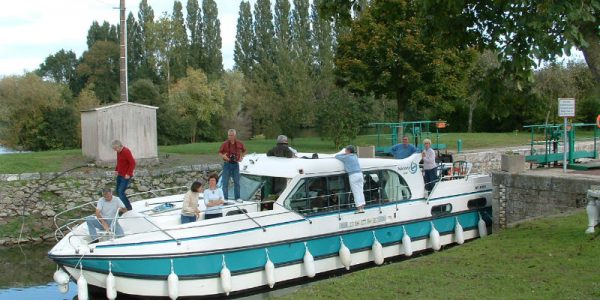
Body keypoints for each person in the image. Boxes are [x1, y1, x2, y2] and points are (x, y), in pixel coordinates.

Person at [335, 145, 365, 213]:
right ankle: (362, 207)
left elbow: (336, 156)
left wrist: (343, 153)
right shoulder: (355, 156)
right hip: (360, 174)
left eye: (346, 150)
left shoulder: (346, 157)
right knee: (360, 191)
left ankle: (359, 209)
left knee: (356, 192)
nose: (345, 151)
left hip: (353, 175)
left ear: (348, 151)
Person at [218, 129, 247, 200]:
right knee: (225, 183)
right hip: (227, 164)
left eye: (232, 135)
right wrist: (223, 156)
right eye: (229, 135)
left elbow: (245, 150)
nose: (230, 137)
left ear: (235, 135)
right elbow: (219, 152)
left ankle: (237, 198)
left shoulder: (240, 143)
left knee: (237, 182)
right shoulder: (224, 144)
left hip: (236, 164)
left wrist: (241, 156)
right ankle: (225, 198)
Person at [112, 139, 136, 210]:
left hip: (125, 176)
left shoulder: (126, 151)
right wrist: (116, 169)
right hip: (120, 174)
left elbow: (133, 163)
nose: (115, 150)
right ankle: (123, 207)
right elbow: (119, 162)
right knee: (117, 191)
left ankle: (128, 208)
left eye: (115, 148)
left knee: (121, 192)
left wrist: (128, 174)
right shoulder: (118, 152)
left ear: (120, 146)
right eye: (114, 149)